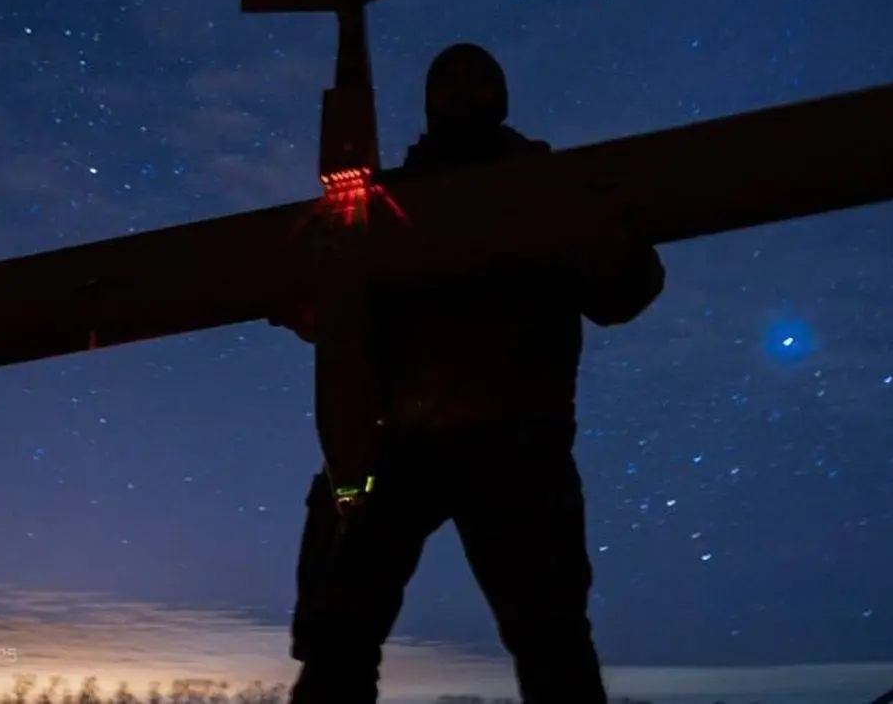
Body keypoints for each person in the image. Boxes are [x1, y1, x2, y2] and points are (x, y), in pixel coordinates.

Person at [271, 42, 666, 704]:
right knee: (341, 633)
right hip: (406, 441)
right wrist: (312, 302)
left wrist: (610, 237)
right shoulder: (390, 204)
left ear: (501, 97)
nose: (460, 89)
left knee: (551, 641)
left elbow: (621, 293)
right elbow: (346, 315)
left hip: (517, 439)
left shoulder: (544, 187)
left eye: (475, 78)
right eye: (447, 79)